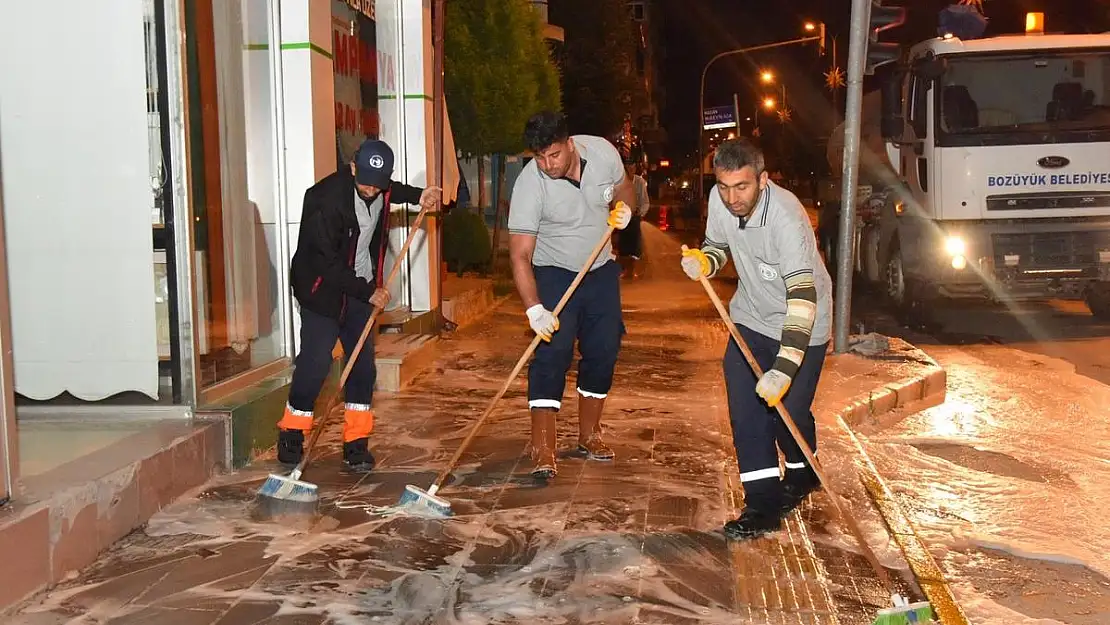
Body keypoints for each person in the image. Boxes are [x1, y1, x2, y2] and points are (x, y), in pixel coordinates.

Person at [680, 139, 833, 540]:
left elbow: (802, 295)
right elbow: (717, 246)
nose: (732, 198)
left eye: (742, 187)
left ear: (763, 180)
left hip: (803, 323)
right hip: (750, 318)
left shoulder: (787, 218)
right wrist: (704, 262)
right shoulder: (719, 200)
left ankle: (803, 472)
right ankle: (761, 505)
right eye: (724, 186)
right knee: (750, 414)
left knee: (788, 413)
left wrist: (783, 369)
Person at [277, 139, 441, 472]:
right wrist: (368, 292)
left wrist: (419, 195)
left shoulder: (380, 188)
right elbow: (327, 263)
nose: (370, 189)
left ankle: (356, 442)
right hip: (321, 289)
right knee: (316, 362)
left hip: (358, 290)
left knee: (362, 368)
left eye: (377, 184)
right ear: (352, 168)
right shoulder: (323, 200)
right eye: (364, 180)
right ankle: (292, 433)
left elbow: (392, 190)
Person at [507, 111, 635, 479]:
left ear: (570, 144)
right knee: (553, 352)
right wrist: (534, 309)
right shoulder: (531, 184)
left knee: (604, 349)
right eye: (539, 157)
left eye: (554, 155)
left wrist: (624, 210)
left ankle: (589, 434)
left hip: (600, 269)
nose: (547, 165)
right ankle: (543, 446)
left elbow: (625, 189)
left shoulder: (603, 154)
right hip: (554, 273)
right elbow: (519, 255)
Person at [616, 162, 650, 278]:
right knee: (623, 245)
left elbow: (645, 201)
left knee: (635, 246)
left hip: (635, 216)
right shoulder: (620, 182)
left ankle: (634, 269)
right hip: (622, 216)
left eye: (632, 168)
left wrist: (641, 214)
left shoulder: (640, 182)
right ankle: (625, 269)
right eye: (628, 168)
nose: (630, 171)